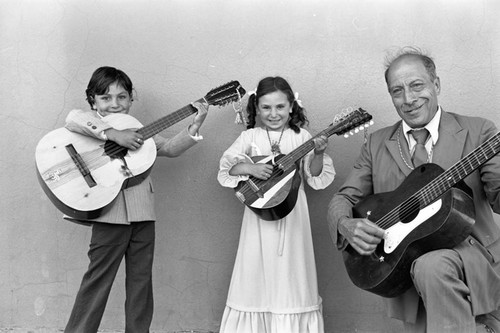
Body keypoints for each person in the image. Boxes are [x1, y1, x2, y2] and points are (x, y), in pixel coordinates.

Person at [327, 46, 500, 333]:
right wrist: (346, 225)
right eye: (397, 91)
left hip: (471, 260)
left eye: (416, 85)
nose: (408, 99)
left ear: (437, 84)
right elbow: (343, 197)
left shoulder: (479, 131)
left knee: (433, 266)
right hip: (406, 273)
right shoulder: (376, 144)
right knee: (427, 268)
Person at [63, 66, 208, 333]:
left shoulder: (139, 129)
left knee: (141, 283)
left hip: (143, 214)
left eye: (122, 97)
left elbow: (167, 148)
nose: (114, 104)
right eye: (105, 98)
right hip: (109, 215)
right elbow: (74, 117)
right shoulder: (89, 123)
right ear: (92, 100)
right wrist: (112, 134)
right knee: (98, 281)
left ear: (131, 99)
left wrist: (193, 127)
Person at [217, 76, 336, 333]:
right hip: (258, 217)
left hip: (293, 216)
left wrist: (318, 152)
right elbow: (228, 167)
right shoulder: (251, 136)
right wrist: (251, 167)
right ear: (256, 108)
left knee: (291, 274)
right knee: (254, 270)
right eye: (266, 108)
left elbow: (314, 176)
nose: (274, 114)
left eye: (280, 107)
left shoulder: (301, 136)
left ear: (292, 106)